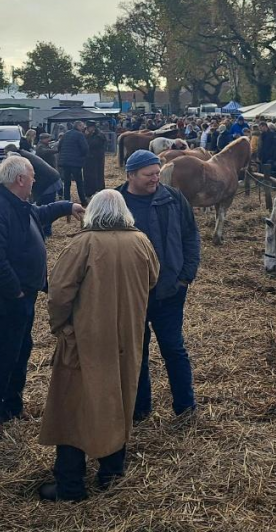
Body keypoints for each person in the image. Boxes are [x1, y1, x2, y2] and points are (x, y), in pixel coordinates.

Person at [38, 191, 160, 502]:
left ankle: (70, 485)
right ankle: (111, 475)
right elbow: (153, 279)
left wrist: (62, 327)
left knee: (72, 407)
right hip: (127, 339)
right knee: (118, 400)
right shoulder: (141, 242)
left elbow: (59, 293)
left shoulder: (83, 244)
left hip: (85, 340)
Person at [0, 155, 82, 434]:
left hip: (23, 295)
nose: (35, 179)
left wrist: (68, 206)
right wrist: (17, 291)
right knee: (6, 355)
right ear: (20, 179)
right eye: (32, 175)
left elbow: (40, 214)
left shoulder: (16, 205)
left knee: (21, 351)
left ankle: (12, 406)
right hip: (9, 299)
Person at [116, 150, 200, 424]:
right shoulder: (115, 202)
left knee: (173, 348)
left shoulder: (173, 198)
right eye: (148, 174)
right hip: (130, 294)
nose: (155, 179)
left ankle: (185, 408)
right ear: (130, 175)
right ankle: (140, 409)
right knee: (135, 351)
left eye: (157, 173)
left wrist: (186, 275)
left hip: (169, 290)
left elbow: (190, 234)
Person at [57, 120, 90, 205]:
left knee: (67, 183)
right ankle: (83, 200)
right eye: (82, 126)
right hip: (76, 162)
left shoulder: (66, 134)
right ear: (78, 126)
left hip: (65, 162)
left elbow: (59, 146)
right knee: (79, 182)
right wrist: (82, 156)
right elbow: (85, 148)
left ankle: (66, 201)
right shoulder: (80, 135)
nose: (84, 127)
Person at [84, 124, 107, 196]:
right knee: (90, 175)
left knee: (97, 174)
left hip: (96, 158)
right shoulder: (96, 135)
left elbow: (92, 144)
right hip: (90, 158)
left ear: (92, 128)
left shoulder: (99, 136)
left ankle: (97, 190)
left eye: (88, 128)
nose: (87, 130)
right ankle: (90, 191)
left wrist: (87, 137)